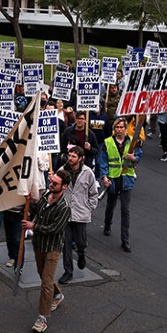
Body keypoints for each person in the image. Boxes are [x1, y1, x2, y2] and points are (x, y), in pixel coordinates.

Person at [22, 169, 72, 333]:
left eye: (55, 183)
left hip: (52, 248)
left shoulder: (64, 208)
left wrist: (33, 226)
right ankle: (58, 295)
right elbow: (37, 209)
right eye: (52, 181)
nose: (51, 184)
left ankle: (42, 318)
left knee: (45, 281)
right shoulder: (46, 196)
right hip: (39, 245)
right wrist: (30, 200)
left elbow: (53, 229)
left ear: (63, 186)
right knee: (43, 274)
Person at [98, 117, 142, 253]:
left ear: (125, 128)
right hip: (113, 178)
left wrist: (133, 158)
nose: (119, 130)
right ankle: (107, 224)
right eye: (117, 127)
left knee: (125, 210)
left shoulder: (133, 141)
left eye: (122, 127)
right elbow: (103, 161)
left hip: (127, 178)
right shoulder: (108, 143)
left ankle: (125, 240)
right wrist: (104, 177)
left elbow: (139, 155)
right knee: (111, 205)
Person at [57, 146, 98, 284]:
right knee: (66, 244)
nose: (70, 158)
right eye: (69, 155)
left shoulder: (88, 173)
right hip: (65, 213)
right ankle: (68, 271)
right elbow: (55, 189)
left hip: (81, 213)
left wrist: (89, 207)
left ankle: (81, 254)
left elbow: (93, 193)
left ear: (80, 159)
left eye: (74, 156)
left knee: (81, 242)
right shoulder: (62, 171)